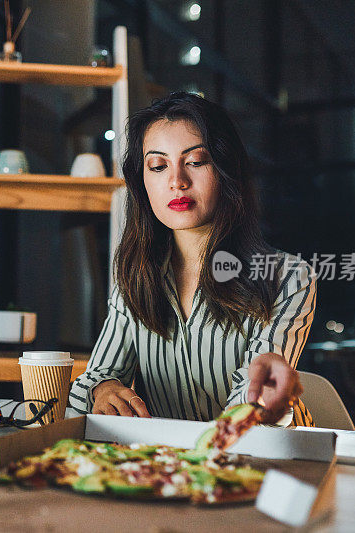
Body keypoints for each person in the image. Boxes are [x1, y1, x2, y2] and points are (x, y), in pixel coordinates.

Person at [68, 92, 315, 426]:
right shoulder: (135, 278)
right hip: (167, 468)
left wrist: (262, 402)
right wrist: (104, 389)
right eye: (158, 165)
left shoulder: (287, 276)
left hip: (267, 465)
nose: (177, 181)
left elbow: (253, 402)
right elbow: (92, 381)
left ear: (227, 169)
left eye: (196, 162)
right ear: (143, 182)